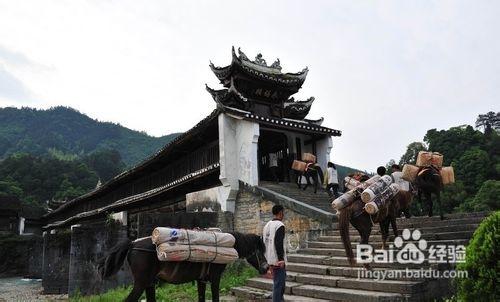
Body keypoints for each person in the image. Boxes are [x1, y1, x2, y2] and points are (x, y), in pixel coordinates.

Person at [263, 205, 286, 302]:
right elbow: (278, 242)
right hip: (277, 260)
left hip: (269, 258)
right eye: (283, 212)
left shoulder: (267, 225)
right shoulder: (280, 225)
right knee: (278, 285)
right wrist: (281, 259)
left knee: (280, 283)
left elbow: (264, 242)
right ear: (280, 213)